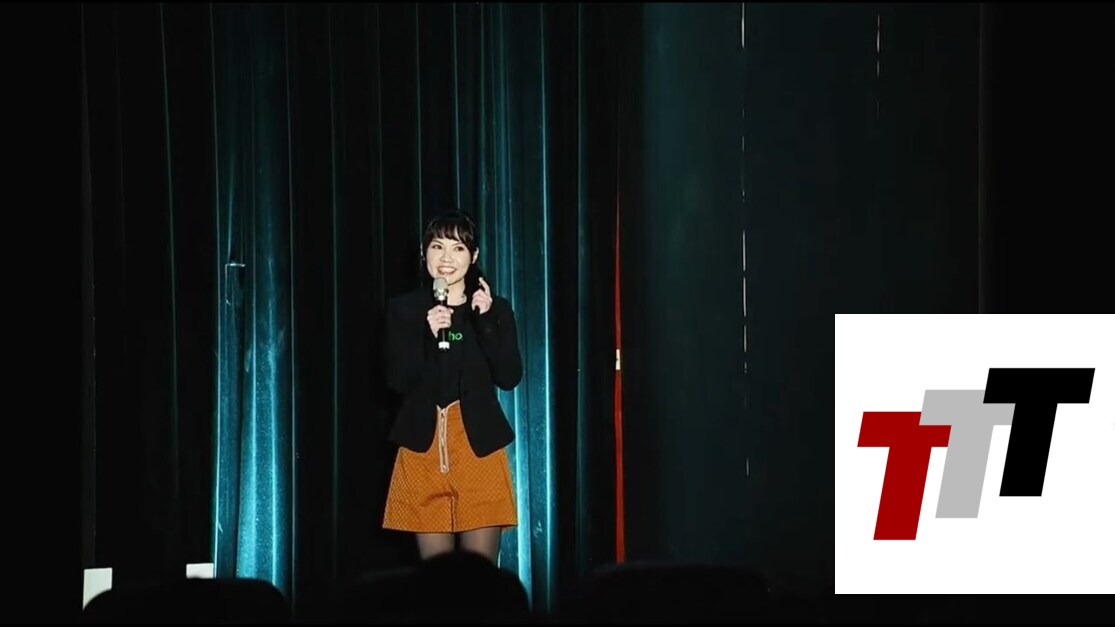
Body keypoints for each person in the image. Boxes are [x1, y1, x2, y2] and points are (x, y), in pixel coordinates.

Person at [381, 210, 523, 564]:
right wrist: (428, 336)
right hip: (422, 447)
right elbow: (398, 380)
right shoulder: (405, 309)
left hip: (477, 447)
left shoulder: (493, 309)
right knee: (436, 580)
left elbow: (509, 377)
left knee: (479, 576)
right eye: (437, 246)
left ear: (473, 256)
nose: (446, 258)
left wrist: (486, 321)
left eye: (458, 248)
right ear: (423, 252)